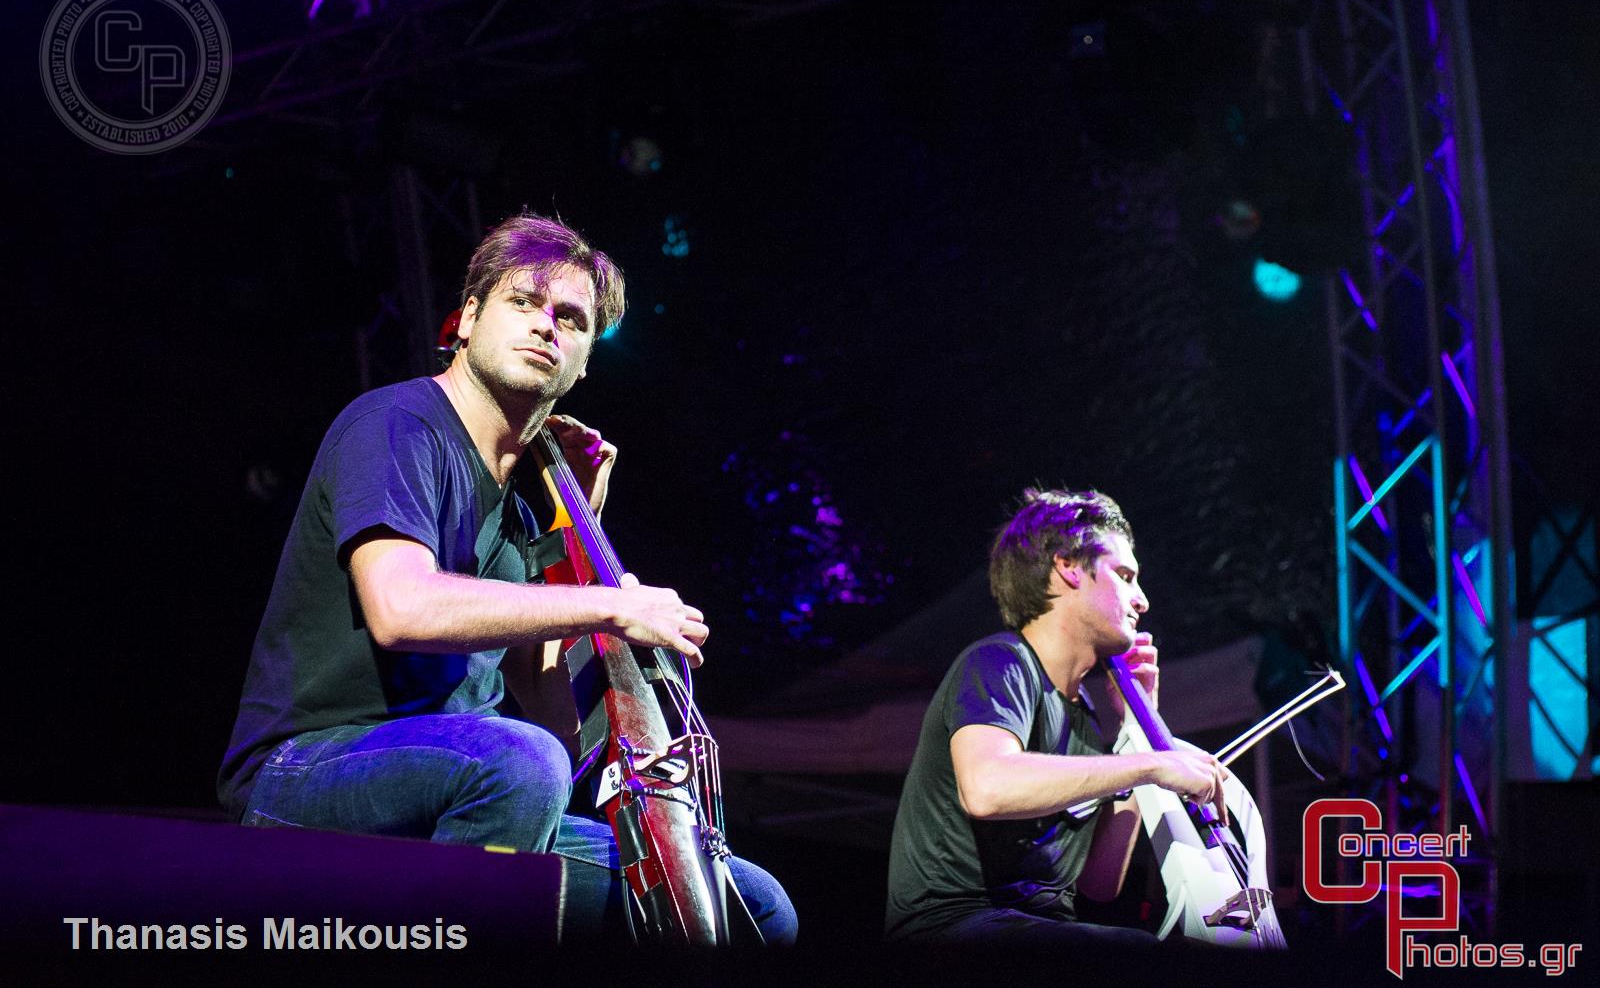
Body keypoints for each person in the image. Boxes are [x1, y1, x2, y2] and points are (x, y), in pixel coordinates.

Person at [217, 211, 795, 943]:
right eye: (524, 302)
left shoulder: (531, 503)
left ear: (584, 361)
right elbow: (401, 607)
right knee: (520, 764)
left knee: (752, 905)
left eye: (571, 318)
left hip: (467, 781)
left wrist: (577, 532)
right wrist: (611, 606)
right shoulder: (399, 424)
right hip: (305, 773)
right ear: (465, 320)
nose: (546, 325)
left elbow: (551, 719)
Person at [884, 488, 1230, 944]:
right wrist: (1153, 765)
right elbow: (987, 788)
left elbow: (1099, 883)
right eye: (1125, 575)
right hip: (952, 930)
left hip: (1040, 931)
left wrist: (1136, 730)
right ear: (1067, 566)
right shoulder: (1000, 663)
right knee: (1139, 953)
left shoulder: (1085, 717)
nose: (1141, 599)